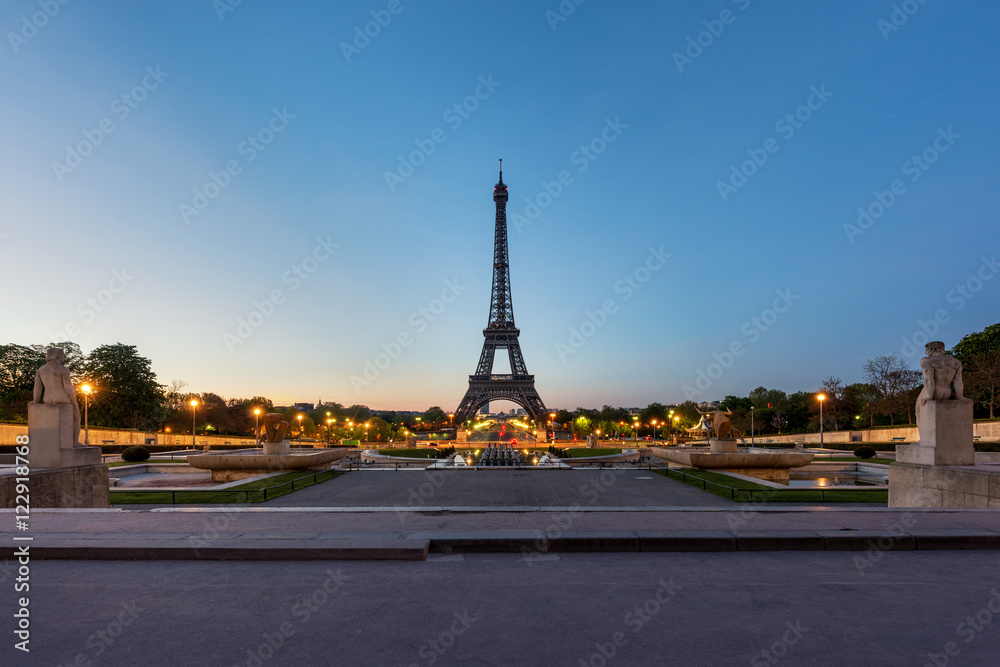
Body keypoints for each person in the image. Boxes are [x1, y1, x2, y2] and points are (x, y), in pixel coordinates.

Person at [31, 347, 82, 444]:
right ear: (59, 356)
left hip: (47, 399)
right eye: (63, 355)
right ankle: (75, 442)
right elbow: (68, 387)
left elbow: (37, 387)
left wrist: (35, 401)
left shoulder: (41, 369)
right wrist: (74, 401)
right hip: (62, 399)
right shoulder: (63, 369)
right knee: (76, 417)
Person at [916, 341, 964, 425]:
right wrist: (960, 397)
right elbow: (958, 381)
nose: (925, 352)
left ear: (933, 349)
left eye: (926, 350)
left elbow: (928, 380)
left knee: (918, 413)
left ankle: (924, 438)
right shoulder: (956, 362)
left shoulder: (926, 361)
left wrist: (929, 396)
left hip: (934, 391)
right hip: (947, 392)